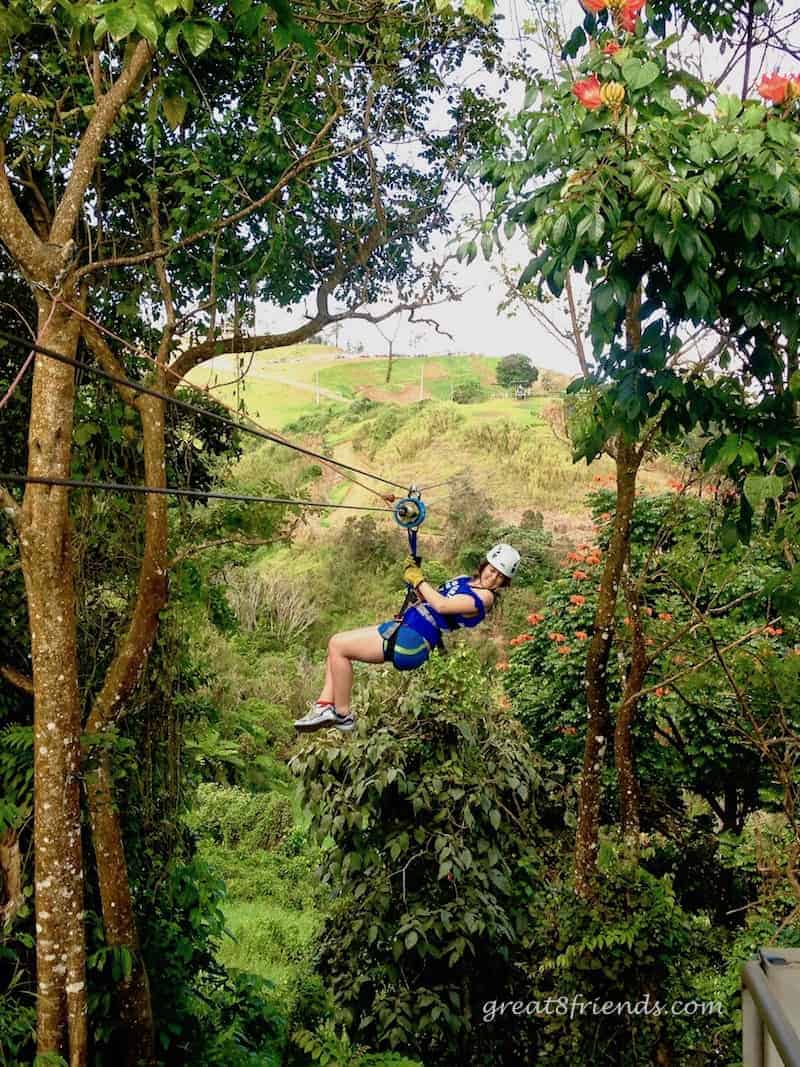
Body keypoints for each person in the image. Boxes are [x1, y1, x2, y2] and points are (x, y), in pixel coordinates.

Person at [293, 542, 521, 734]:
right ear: (485, 565)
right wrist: (414, 579)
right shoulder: (463, 580)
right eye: (492, 569)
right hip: (405, 628)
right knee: (335, 647)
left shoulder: (485, 597)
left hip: (413, 639)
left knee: (338, 646)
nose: (493, 577)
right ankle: (324, 706)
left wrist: (419, 579)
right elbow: (431, 598)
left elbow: (441, 605)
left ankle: (342, 714)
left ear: (504, 583)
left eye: (500, 577)